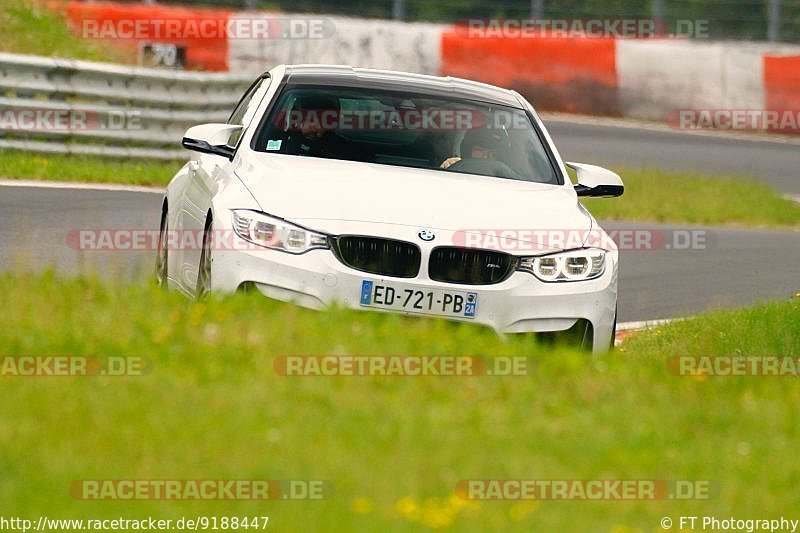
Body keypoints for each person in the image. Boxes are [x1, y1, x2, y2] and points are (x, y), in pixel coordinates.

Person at [439, 128, 508, 169]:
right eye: (480, 150)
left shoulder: (508, 178)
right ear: (468, 150)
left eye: (492, 154)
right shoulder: (456, 166)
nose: (485, 156)